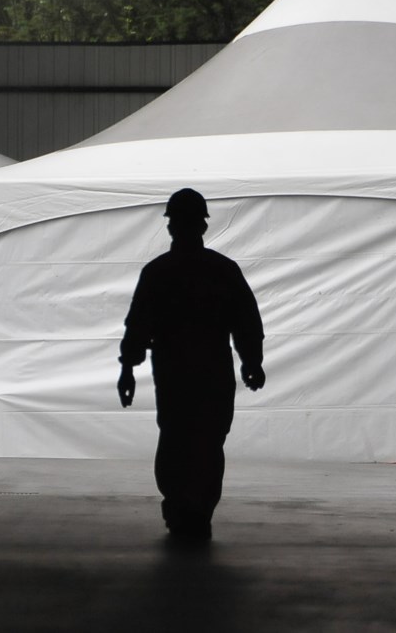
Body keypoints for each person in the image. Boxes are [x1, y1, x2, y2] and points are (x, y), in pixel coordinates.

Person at [117, 188, 265, 540]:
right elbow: (246, 321)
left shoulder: (158, 272)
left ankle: (180, 505)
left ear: (171, 227)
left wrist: (128, 368)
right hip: (212, 372)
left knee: (175, 438)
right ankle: (198, 509)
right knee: (209, 442)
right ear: (203, 226)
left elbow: (138, 326)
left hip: (173, 374)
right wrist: (252, 362)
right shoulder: (222, 270)